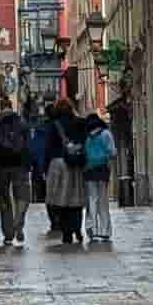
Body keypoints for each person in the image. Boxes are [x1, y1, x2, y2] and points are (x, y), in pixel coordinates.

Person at [0, 96, 32, 245]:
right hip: (20, 166)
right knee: (23, 197)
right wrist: (27, 165)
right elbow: (28, 146)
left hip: (1, 167)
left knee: (4, 200)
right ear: (12, 106)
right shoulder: (21, 122)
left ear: (1, 107)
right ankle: (19, 223)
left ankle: (8, 233)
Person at [44, 97, 87, 244]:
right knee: (76, 200)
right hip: (75, 163)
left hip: (58, 164)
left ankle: (66, 232)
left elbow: (48, 147)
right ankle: (77, 228)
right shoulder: (80, 122)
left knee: (61, 201)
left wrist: (45, 168)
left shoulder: (54, 125)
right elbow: (84, 141)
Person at [84, 112, 117, 241]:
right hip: (103, 170)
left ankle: (92, 229)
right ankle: (104, 230)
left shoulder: (87, 136)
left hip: (89, 171)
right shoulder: (106, 134)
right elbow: (113, 152)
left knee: (92, 199)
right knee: (103, 200)